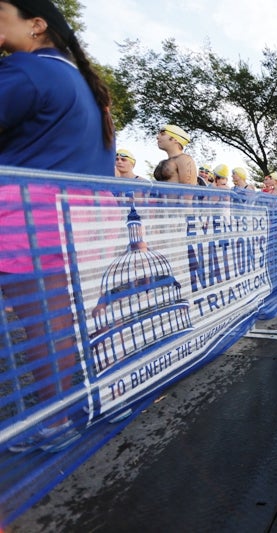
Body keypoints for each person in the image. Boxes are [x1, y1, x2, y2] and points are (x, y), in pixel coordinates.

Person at [0, 0, 116, 452]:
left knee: (45, 326)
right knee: (55, 324)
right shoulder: (80, 81)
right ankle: (58, 419)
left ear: (36, 25)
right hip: (77, 219)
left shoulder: (28, 71)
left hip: (28, 218)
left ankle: (55, 420)